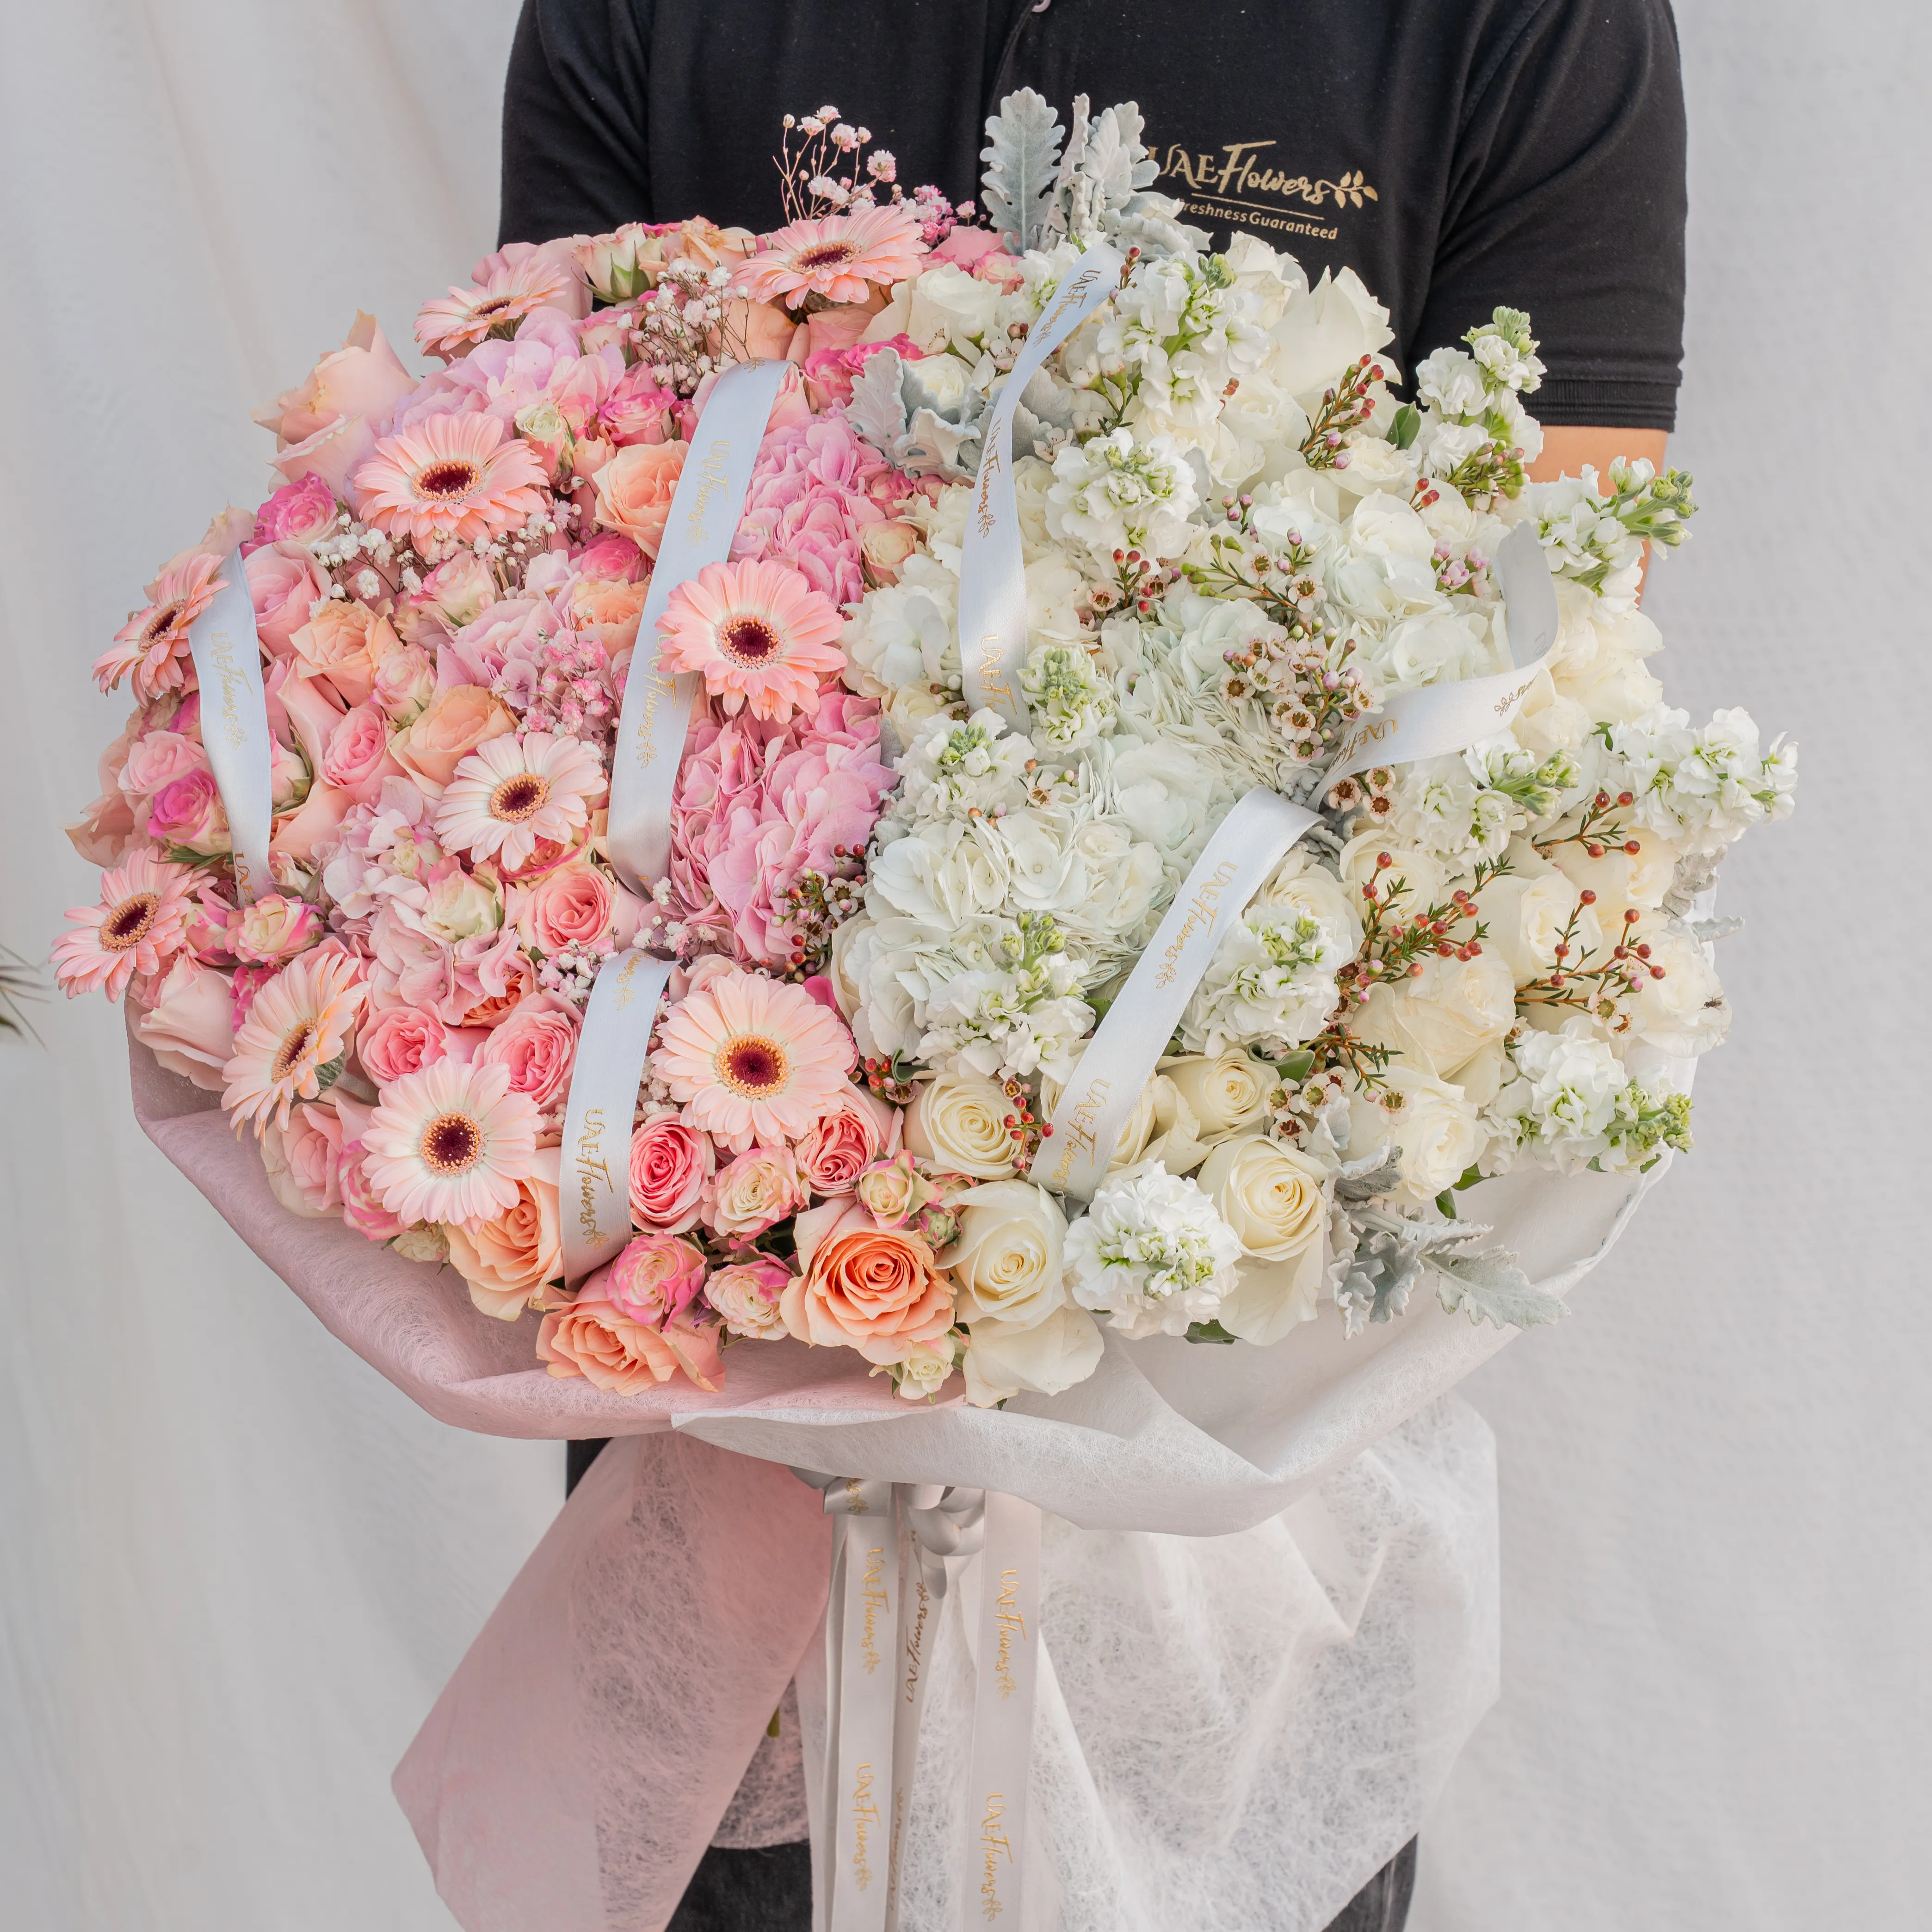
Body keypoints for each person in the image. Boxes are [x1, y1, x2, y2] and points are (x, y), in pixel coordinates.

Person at [497, 4, 1686, 1925]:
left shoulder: (1520, 28)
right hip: (731, 1319)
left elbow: (1543, 698)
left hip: (1220, 1390)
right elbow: (546, 587)